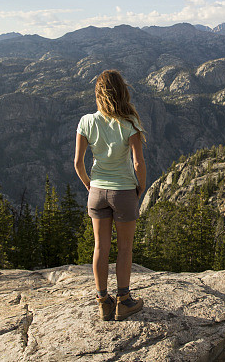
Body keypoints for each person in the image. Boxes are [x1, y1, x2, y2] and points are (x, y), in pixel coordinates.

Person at [74, 70, 146, 321]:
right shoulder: (130, 123)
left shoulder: (86, 122)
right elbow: (138, 164)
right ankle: (124, 301)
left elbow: (78, 163)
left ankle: (103, 302)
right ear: (121, 93)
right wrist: (141, 187)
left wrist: (88, 184)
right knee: (125, 248)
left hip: (97, 192)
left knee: (99, 247)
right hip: (123, 191)